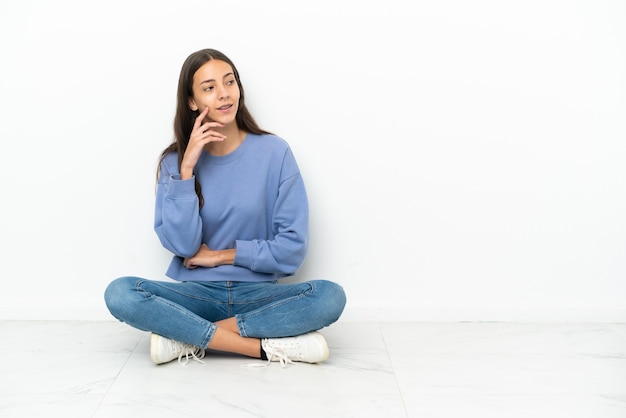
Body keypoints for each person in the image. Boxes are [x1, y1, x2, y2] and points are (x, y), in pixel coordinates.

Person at [104, 48, 346, 367]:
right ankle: (262, 348)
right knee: (120, 293)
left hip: (259, 296)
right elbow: (183, 246)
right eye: (209, 88)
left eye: (229, 82)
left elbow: (292, 249)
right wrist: (187, 169)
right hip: (196, 295)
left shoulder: (275, 153)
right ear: (192, 101)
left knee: (329, 296)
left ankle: (186, 337)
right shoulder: (174, 164)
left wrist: (220, 256)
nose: (223, 94)